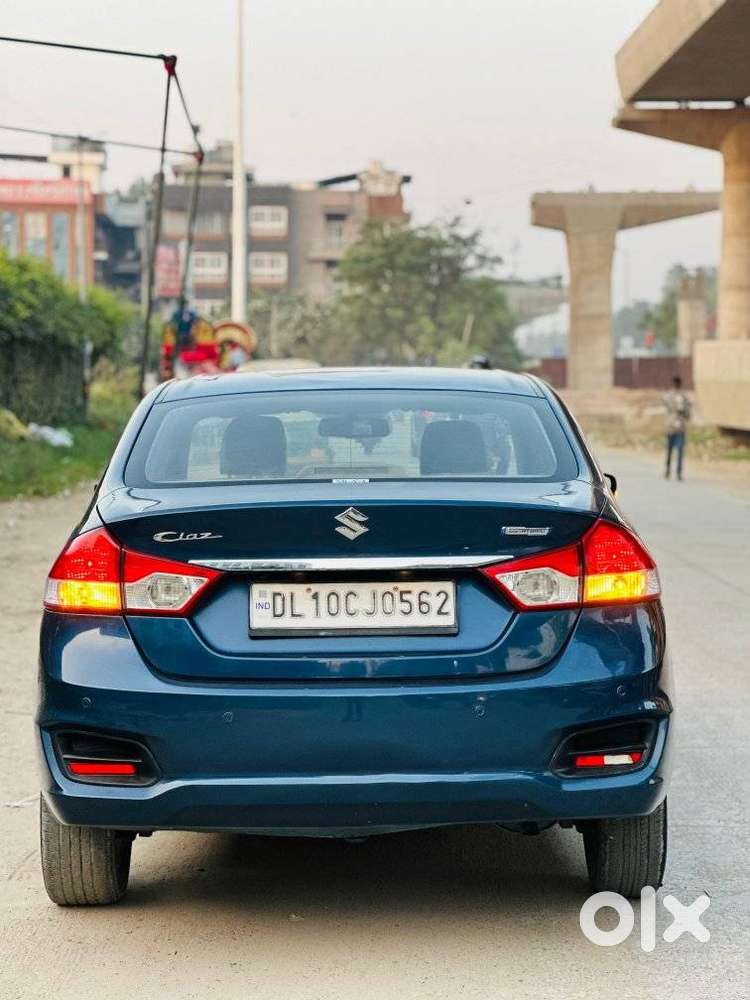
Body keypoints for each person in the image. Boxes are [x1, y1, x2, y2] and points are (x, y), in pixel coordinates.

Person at [664, 375, 691, 480]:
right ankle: (668, 469)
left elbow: (688, 413)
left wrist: (683, 411)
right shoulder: (670, 396)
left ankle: (678, 472)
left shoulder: (683, 397)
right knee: (670, 450)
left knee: (679, 450)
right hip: (672, 426)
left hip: (678, 427)